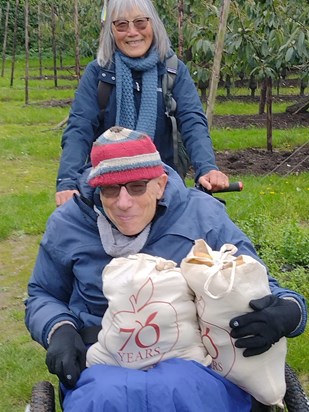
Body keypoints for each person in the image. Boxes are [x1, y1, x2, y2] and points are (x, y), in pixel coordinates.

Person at [25, 126, 307, 412]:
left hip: (195, 357)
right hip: (104, 356)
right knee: (108, 396)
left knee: (182, 389)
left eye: (137, 187)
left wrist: (289, 311)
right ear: (97, 187)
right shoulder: (68, 225)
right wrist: (58, 328)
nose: (124, 203)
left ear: (160, 184)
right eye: (110, 189)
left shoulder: (202, 214)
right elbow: (42, 293)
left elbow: (252, 277)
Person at [55, 0, 229, 207]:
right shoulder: (99, 73)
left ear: (153, 24)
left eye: (140, 22)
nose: (132, 32)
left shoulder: (173, 71)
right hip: (109, 188)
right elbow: (79, 127)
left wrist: (207, 168)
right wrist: (67, 181)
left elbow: (193, 123)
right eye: (121, 25)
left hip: (161, 184)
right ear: (111, 31)